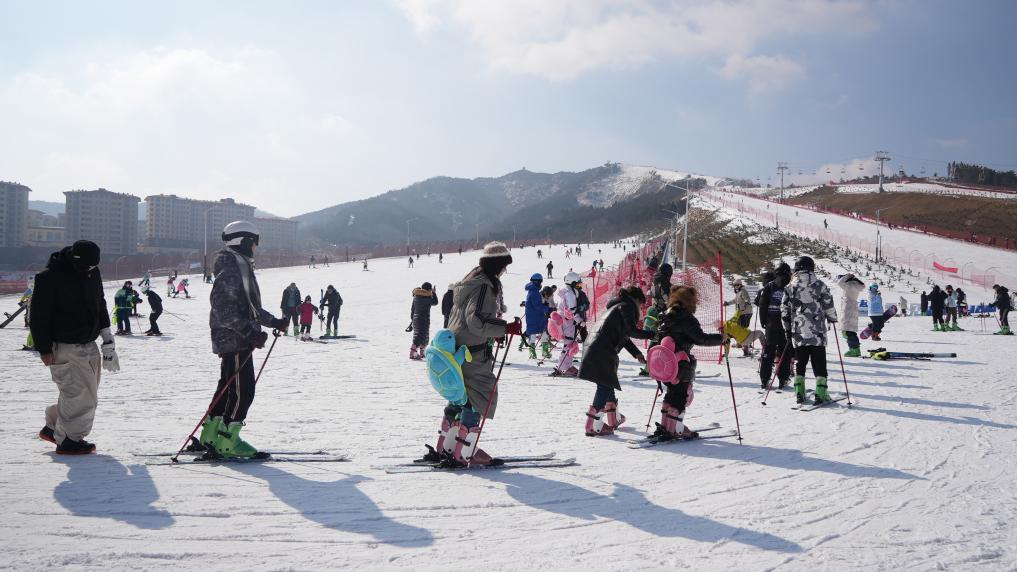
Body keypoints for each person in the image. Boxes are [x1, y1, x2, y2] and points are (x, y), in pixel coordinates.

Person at [200, 221, 289, 458]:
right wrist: (249, 333)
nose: (256, 248)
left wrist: (274, 322)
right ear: (245, 242)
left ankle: (211, 435)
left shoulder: (238, 265)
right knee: (243, 391)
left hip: (233, 338)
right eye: (255, 243)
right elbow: (222, 306)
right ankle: (228, 441)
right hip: (235, 339)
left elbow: (249, 308)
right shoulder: (232, 266)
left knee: (228, 388)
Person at [435, 242, 521, 466]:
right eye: (503, 266)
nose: (504, 271)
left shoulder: (469, 282)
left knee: (460, 396)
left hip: (458, 350)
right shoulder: (484, 286)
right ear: (496, 265)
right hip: (473, 353)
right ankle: (465, 452)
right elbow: (476, 321)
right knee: (478, 397)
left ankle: (446, 446)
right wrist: (505, 328)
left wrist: (495, 331)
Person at [31, 240, 120, 454]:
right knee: (80, 396)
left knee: (84, 394)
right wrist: (44, 349)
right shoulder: (49, 277)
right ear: (74, 259)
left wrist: (108, 339)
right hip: (65, 345)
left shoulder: (92, 273)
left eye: (93, 266)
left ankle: (54, 427)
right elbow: (39, 316)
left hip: (89, 343)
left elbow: (100, 303)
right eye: (86, 266)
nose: (89, 270)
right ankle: (69, 440)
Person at [652, 286, 726, 439]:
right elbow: (701, 339)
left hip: (664, 365)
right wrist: (720, 338)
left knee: (671, 393)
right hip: (681, 364)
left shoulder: (665, 316)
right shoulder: (687, 319)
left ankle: (666, 425)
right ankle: (675, 428)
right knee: (681, 396)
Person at [579, 286, 652, 436]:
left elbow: (624, 335)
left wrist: (636, 353)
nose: (640, 308)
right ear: (636, 299)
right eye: (641, 305)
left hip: (595, 347)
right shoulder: (627, 306)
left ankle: (613, 418)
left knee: (607, 382)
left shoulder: (617, 306)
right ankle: (593, 425)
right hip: (602, 349)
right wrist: (653, 334)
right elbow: (631, 331)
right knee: (605, 384)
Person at [781, 256, 838, 405]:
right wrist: (832, 318)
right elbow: (828, 305)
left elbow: (784, 310)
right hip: (817, 332)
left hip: (799, 332)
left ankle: (799, 393)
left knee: (800, 362)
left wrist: (787, 328)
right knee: (819, 362)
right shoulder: (820, 285)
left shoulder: (790, 287)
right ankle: (821, 393)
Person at [757, 263, 793, 390]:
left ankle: (764, 379)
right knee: (784, 351)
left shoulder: (770, 285)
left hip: (771, 323)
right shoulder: (791, 286)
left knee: (768, 350)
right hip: (786, 323)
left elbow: (763, 304)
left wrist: (763, 321)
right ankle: (783, 378)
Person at [552, 272, 585, 376]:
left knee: (570, 343)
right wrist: (580, 320)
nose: (579, 286)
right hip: (567, 322)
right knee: (568, 343)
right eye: (577, 284)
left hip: (565, 321)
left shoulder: (567, 292)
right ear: (572, 283)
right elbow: (572, 310)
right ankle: (563, 368)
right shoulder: (570, 294)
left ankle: (567, 365)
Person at [835, 273, 865, 357]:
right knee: (849, 331)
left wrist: (847, 275)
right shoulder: (855, 286)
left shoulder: (849, 286)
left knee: (848, 332)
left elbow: (839, 283)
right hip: (852, 308)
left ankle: (854, 349)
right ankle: (854, 349)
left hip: (848, 308)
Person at [409, 282, 439, 360]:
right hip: (423, 319)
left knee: (423, 336)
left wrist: (412, 319)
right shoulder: (426, 298)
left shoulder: (416, 296)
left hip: (416, 319)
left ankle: (422, 353)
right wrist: (434, 293)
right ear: (428, 289)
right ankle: (412, 354)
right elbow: (435, 302)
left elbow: (412, 309)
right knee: (420, 336)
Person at [523, 273, 550, 360]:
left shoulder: (532, 290)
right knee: (538, 332)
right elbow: (537, 305)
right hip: (535, 316)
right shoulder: (534, 292)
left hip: (534, 315)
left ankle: (537, 351)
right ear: (537, 282)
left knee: (538, 332)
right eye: (540, 282)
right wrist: (546, 308)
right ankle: (538, 352)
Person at [725, 279, 754, 356]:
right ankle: (741, 343)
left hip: (745, 313)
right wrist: (727, 303)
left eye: (737, 285)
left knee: (742, 328)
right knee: (739, 328)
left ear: (740, 285)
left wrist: (746, 303)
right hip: (741, 313)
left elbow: (747, 299)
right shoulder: (738, 292)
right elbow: (735, 300)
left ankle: (746, 346)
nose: (736, 286)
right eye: (735, 285)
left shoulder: (743, 291)